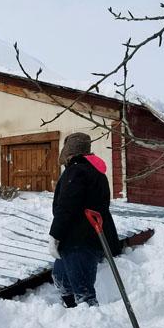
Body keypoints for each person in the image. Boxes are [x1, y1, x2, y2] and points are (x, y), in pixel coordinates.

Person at [48, 132, 122, 307]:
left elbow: (67, 206)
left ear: (69, 152)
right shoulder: (96, 173)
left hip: (78, 241)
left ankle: (90, 324)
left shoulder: (76, 172)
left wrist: (54, 235)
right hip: (79, 240)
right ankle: (71, 315)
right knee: (61, 278)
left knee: (83, 292)